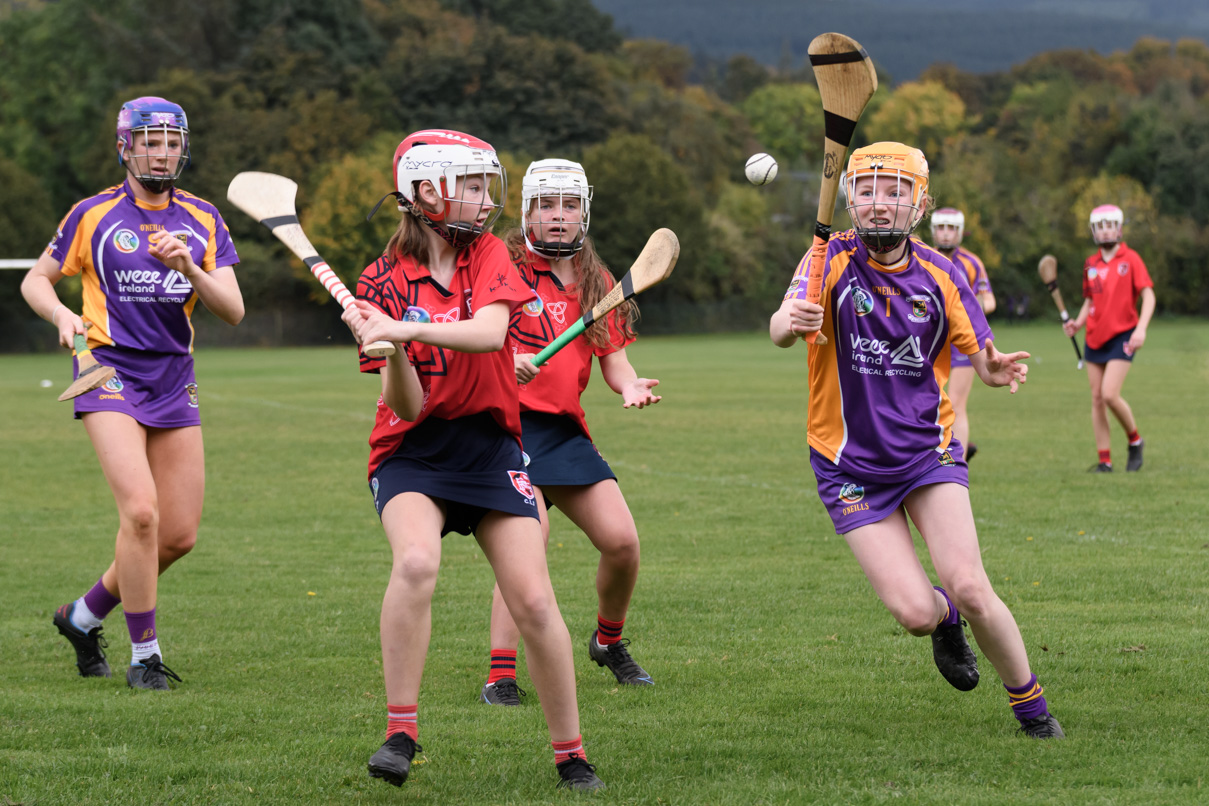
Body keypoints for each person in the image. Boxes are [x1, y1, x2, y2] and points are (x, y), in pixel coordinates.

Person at [769, 142, 1063, 739]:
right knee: (914, 613)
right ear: (851, 198)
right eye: (870, 191)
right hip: (847, 465)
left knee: (972, 585)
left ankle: (1032, 709)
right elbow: (780, 326)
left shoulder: (943, 273)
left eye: (896, 192)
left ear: (919, 203)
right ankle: (943, 618)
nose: (881, 205)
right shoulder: (826, 258)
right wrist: (792, 321)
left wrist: (996, 367)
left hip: (927, 454)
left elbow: (980, 355)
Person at [340, 131, 604, 791]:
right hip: (411, 452)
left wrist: (402, 328)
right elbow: (403, 403)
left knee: (535, 600)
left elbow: (489, 333)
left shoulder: (488, 254)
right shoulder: (379, 279)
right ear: (425, 192)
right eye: (474, 186)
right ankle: (401, 732)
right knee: (416, 562)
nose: (487, 202)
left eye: (489, 186)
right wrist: (392, 352)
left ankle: (569, 753)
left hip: (489, 447)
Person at [20, 97, 244, 691]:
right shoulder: (92, 214)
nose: (162, 152)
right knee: (141, 513)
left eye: (172, 142)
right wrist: (62, 315)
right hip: (105, 369)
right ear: (125, 147)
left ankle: (83, 615)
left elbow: (234, 311)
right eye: (151, 141)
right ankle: (144, 656)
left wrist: (193, 267)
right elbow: (35, 279)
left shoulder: (202, 219)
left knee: (177, 535)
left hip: (174, 377)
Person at [477, 159, 660, 708]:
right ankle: (500, 674)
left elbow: (615, 363)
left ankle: (608, 641)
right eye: (547, 205)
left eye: (569, 205)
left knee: (622, 543)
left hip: (562, 430)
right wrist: (507, 359)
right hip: (503, 425)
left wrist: (628, 387)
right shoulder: (498, 267)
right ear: (528, 210)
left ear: (584, 210)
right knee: (527, 542)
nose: (559, 217)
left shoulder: (597, 280)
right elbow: (472, 339)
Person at [1062, 204, 1154, 472]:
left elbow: (1149, 295)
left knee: (1110, 394)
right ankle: (1105, 460)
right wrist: (1078, 324)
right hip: (1094, 337)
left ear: (1119, 228)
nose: (1105, 231)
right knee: (1097, 398)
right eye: (1100, 226)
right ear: (1093, 231)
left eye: (1110, 225)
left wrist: (1141, 329)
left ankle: (1135, 441)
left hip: (1124, 334)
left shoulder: (1131, 259)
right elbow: (1091, 299)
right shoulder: (1091, 263)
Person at [930, 208, 995, 461]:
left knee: (956, 403)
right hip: (930, 340)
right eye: (941, 228)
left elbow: (989, 300)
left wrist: (972, 307)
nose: (946, 234)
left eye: (951, 228)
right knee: (930, 402)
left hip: (963, 341)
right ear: (934, 230)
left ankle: (958, 461)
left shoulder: (972, 262)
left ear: (960, 232)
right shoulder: (920, 258)